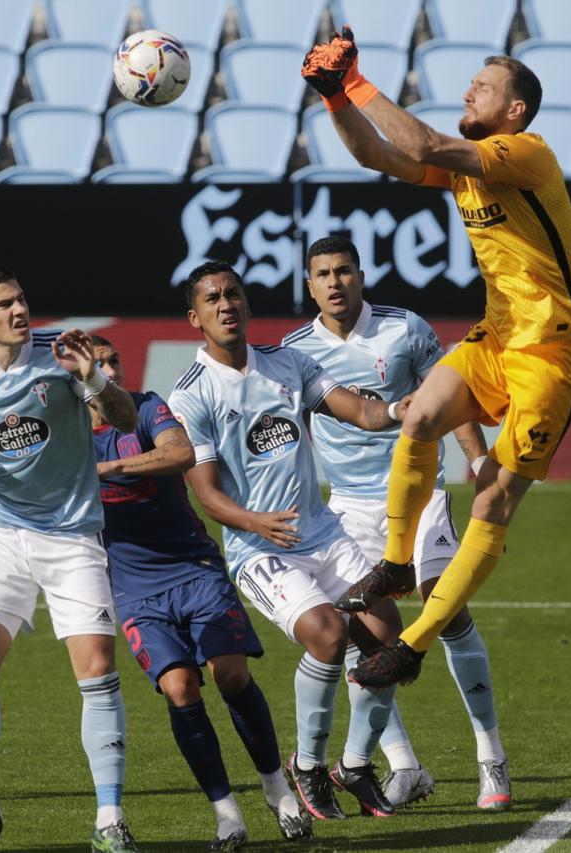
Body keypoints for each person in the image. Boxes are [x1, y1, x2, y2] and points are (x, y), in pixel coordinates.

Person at [299, 30, 571, 688]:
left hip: (551, 351)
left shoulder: (524, 154)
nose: (468, 91)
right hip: (497, 335)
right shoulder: (468, 168)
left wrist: (355, 81)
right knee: (421, 416)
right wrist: (332, 100)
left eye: (483, 86)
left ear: (514, 110)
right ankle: (399, 563)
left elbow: (425, 144)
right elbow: (382, 154)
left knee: (493, 500)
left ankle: (413, 642)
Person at [0, 263, 141, 853]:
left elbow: (126, 419)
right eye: (4, 304)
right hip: (1, 533)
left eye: (21, 299)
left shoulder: (60, 355)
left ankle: (110, 821)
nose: (19, 310)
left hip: (71, 536)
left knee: (96, 672)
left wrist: (92, 377)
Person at [169, 260, 406, 822]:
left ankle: (351, 765)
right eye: (212, 299)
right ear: (194, 317)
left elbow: (360, 410)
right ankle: (307, 766)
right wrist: (256, 523)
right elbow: (206, 494)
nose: (225, 305)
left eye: (233, 294)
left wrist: (401, 409)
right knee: (326, 635)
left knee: (388, 638)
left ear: (247, 304)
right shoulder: (192, 395)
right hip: (260, 550)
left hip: (323, 532)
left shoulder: (289, 363)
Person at [283, 236, 510, 810]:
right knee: (366, 636)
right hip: (350, 508)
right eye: (322, 274)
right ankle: (404, 766)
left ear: (361, 276)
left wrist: (479, 463)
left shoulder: (404, 328)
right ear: (309, 285)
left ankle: (492, 759)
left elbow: (451, 398)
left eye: (343, 271)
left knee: (446, 607)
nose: (334, 282)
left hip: (420, 492)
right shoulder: (294, 352)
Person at [87, 336, 311, 849]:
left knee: (231, 673)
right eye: (95, 365)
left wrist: (107, 469)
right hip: (134, 587)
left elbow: (179, 453)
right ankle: (226, 814)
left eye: (112, 359)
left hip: (195, 567)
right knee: (180, 689)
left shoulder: (147, 408)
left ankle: (277, 787)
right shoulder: (69, 435)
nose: (108, 369)